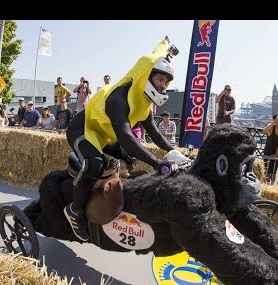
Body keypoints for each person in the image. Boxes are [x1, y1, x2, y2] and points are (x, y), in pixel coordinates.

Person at [63, 37, 190, 242]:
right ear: (144, 77)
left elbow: (155, 133)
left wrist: (175, 153)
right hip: (82, 130)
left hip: (102, 134)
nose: (163, 85)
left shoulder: (143, 101)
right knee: (95, 163)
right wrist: (157, 163)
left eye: (166, 82)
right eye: (159, 80)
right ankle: (74, 210)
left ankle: (111, 200)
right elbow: (126, 137)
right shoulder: (118, 99)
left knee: (129, 158)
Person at [263, 114, 278, 182]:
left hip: (276, 152)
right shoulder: (271, 126)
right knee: (267, 172)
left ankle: (272, 186)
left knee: (274, 172)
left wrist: (276, 154)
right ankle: (267, 186)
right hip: (267, 152)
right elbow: (264, 131)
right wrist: (274, 123)